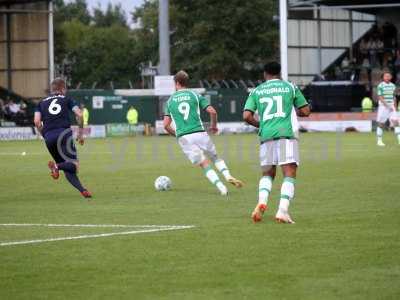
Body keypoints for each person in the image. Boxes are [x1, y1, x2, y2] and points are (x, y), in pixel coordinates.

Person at [243, 62, 310, 224]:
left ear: (265, 73)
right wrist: (296, 109)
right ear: (279, 73)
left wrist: (261, 125)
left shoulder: (257, 90)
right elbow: (306, 111)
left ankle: (262, 202)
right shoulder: (290, 87)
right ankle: (282, 211)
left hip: (266, 137)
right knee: (289, 172)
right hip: (285, 135)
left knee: (267, 174)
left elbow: (246, 116)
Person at [163, 70, 243, 195]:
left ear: (177, 83)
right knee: (215, 158)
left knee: (204, 163)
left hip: (184, 137)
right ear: (186, 82)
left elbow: (166, 125)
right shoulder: (195, 95)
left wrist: (177, 134)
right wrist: (214, 126)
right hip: (200, 132)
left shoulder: (170, 101)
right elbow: (212, 111)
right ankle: (227, 175)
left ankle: (221, 187)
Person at [34, 78, 92, 198]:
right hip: (64, 135)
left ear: (52, 89)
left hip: (49, 137)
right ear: (62, 88)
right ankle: (57, 166)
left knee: (67, 167)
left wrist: (45, 135)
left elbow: (37, 122)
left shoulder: (41, 103)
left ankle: (83, 190)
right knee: (74, 166)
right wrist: (80, 134)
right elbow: (79, 114)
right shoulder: (67, 99)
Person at [376, 71, 400, 146]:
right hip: (383, 107)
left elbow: (394, 97)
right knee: (381, 123)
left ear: (391, 77)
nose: (387, 77)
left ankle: (399, 139)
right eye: (386, 76)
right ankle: (379, 141)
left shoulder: (393, 86)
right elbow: (380, 97)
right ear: (383, 77)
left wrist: (395, 107)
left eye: (388, 76)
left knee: (396, 122)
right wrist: (386, 105)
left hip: (392, 106)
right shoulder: (380, 85)